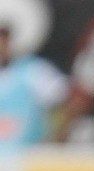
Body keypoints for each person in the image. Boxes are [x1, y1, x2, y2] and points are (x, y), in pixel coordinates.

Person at [0, 22, 68, 151]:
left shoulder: (34, 70)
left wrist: (52, 142)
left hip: (29, 158)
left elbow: (64, 107)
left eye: (3, 39)